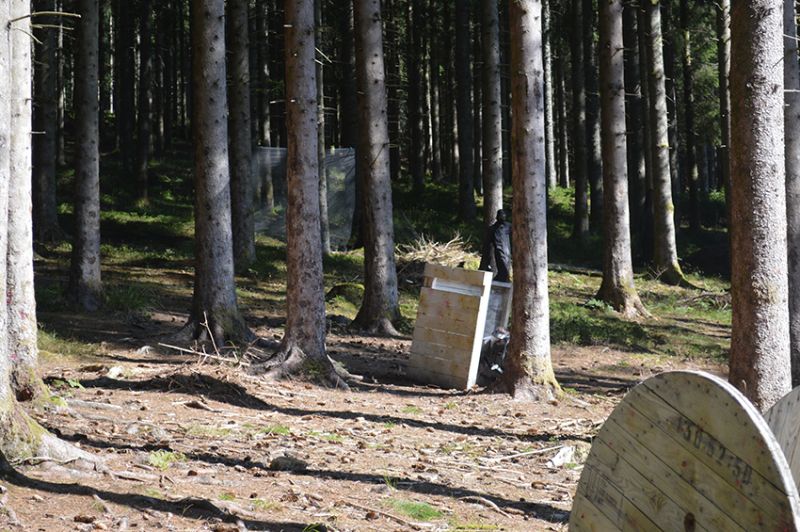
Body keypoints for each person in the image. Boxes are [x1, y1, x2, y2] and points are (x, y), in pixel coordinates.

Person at [479, 209, 511, 282]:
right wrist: (486, 263)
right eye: (500, 216)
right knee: (502, 267)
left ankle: (503, 279)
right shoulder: (492, 229)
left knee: (505, 268)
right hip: (499, 252)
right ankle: (501, 278)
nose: (502, 217)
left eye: (503, 215)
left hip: (507, 252)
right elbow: (486, 246)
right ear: (497, 217)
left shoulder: (508, 226)